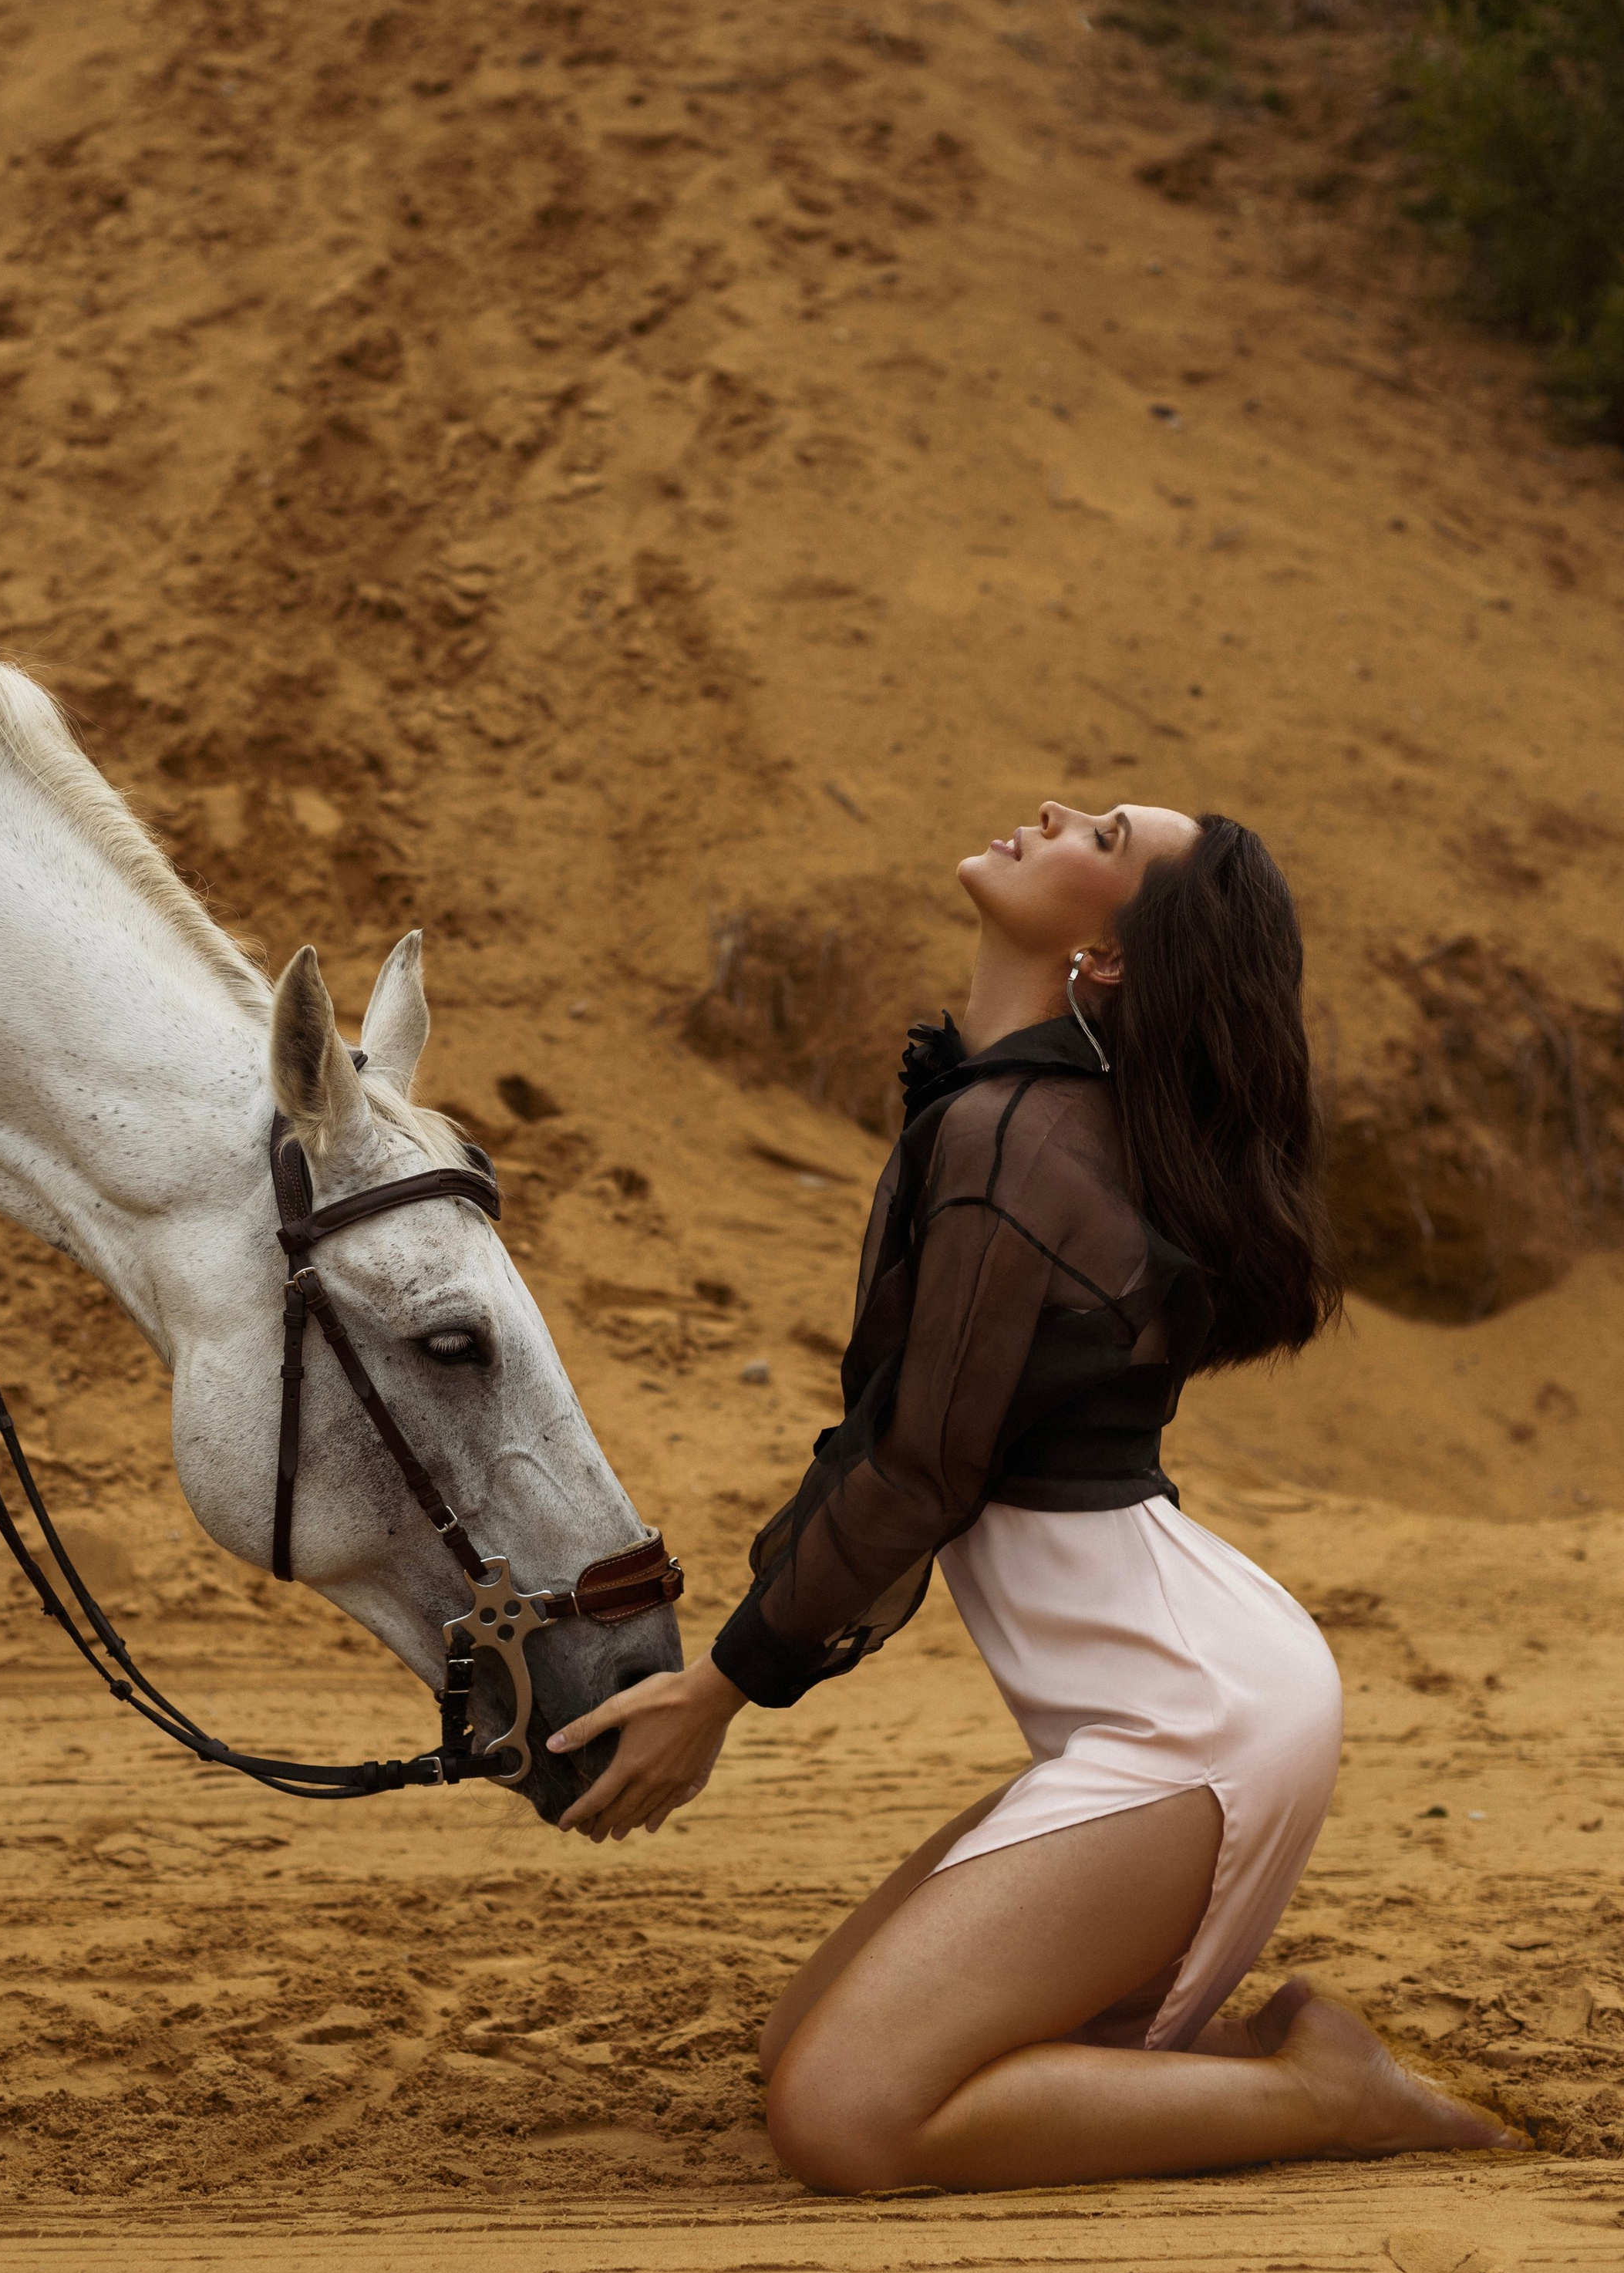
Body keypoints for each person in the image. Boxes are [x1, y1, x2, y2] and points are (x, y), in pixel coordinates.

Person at [548, 801, 1526, 2190]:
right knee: (801, 2049)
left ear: (1109, 956)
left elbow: (920, 1473)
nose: (1059, 812)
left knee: (844, 2119)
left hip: (1193, 1723)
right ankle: (1247, 2063)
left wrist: (716, 1691)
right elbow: (900, 1454)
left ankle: (1319, 2091)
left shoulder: (1023, 1136)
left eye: (1106, 838)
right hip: (1176, 1700)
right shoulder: (1030, 1119)